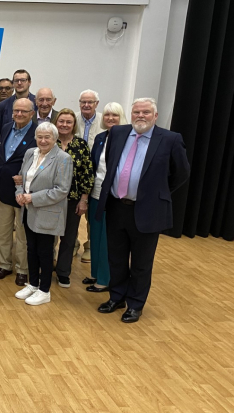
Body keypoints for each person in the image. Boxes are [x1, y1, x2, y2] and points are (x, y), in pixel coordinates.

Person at [96, 98, 189, 323]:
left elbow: (182, 172)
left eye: (146, 112)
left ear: (155, 116)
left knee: (141, 262)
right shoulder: (117, 133)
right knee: (116, 258)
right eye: (136, 111)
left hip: (148, 211)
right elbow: (112, 163)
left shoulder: (170, 139)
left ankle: (135, 304)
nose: (140, 115)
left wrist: (156, 193)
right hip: (117, 207)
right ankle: (116, 296)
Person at [13, 122, 73, 306]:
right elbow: (21, 177)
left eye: (47, 137)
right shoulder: (31, 153)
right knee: (31, 250)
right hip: (28, 211)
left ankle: (45, 290)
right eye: (40, 136)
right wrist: (19, 193)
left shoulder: (63, 158)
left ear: (55, 139)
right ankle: (33, 284)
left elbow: (62, 190)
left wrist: (31, 198)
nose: (43, 140)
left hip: (47, 212)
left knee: (45, 252)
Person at [0, 98, 37, 286]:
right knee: (2, 231)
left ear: (32, 114)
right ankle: (4, 264)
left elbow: (41, 163)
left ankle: (22, 269)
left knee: (22, 234)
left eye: (23, 112)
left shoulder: (38, 133)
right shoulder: (6, 128)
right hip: (3, 188)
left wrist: (25, 178)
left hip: (23, 192)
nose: (19, 114)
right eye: (16, 111)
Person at [83, 102, 126, 292]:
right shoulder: (101, 138)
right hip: (95, 192)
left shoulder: (127, 139)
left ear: (121, 117)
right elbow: (94, 166)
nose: (110, 118)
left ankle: (105, 279)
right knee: (95, 234)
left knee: (107, 238)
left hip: (113, 196)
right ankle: (95, 273)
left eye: (115, 115)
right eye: (107, 115)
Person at [52, 108, 94, 288]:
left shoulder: (81, 145)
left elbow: (87, 174)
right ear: (56, 123)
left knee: (68, 238)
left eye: (69, 122)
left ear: (74, 125)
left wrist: (84, 199)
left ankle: (63, 272)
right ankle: (46, 268)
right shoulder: (48, 142)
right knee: (47, 236)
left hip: (73, 199)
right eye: (61, 121)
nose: (64, 125)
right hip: (49, 198)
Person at [75, 89, 105, 264]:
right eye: (83, 102)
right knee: (72, 212)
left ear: (96, 104)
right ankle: (72, 243)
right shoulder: (73, 120)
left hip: (96, 174)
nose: (86, 105)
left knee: (92, 214)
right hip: (75, 175)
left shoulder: (104, 120)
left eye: (90, 102)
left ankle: (90, 246)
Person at [0, 69, 36, 134]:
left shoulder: (37, 103)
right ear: (13, 84)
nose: (19, 83)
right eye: (16, 81)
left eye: (23, 80)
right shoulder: (3, 105)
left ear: (29, 82)